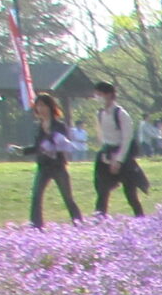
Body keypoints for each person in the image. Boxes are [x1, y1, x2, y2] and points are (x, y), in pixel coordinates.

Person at [90, 79, 145, 218]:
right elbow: (103, 136)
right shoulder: (100, 114)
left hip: (122, 157)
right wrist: (105, 154)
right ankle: (99, 218)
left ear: (108, 94)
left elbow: (127, 139)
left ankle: (140, 217)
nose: (97, 97)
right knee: (102, 190)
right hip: (106, 155)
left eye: (99, 94)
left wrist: (119, 160)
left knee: (130, 194)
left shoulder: (121, 114)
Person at [28, 92, 81, 226]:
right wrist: (22, 150)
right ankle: (36, 225)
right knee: (36, 196)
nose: (40, 109)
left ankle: (78, 222)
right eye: (38, 106)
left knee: (67, 197)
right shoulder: (38, 126)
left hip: (57, 166)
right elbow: (37, 147)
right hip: (43, 166)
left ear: (50, 107)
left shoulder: (59, 125)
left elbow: (60, 142)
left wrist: (48, 133)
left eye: (43, 105)